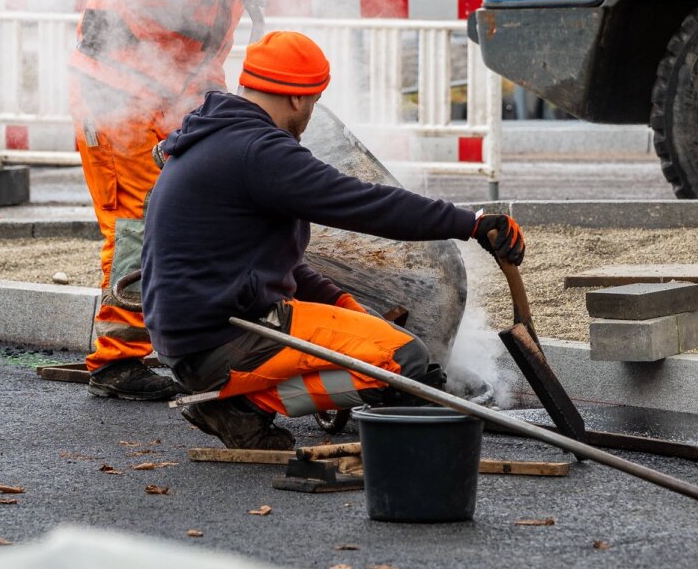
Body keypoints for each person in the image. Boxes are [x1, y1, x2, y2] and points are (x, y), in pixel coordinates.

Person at [139, 31, 526, 449]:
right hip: (225, 338)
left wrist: (340, 303)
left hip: (198, 335)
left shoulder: (217, 136)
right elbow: (365, 204)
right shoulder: (259, 152)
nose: (311, 113)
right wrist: (472, 223)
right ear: (296, 98)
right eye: (314, 101)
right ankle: (244, 408)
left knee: (378, 348)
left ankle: (239, 404)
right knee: (406, 364)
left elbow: (262, 262)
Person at [68, 0, 307, 400]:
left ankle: (148, 345)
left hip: (169, 101)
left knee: (165, 220)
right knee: (136, 222)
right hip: (117, 94)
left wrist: (217, 112)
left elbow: (201, 47)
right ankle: (117, 360)